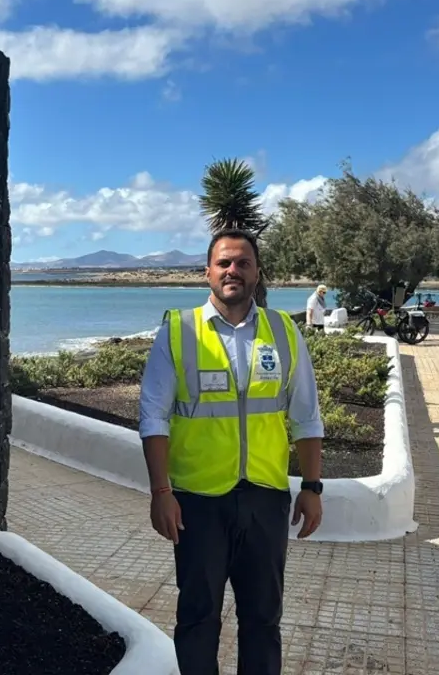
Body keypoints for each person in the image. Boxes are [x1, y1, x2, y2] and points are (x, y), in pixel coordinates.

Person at [137, 228, 324, 675]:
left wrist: (313, 486)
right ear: (208, 273)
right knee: (198, 616)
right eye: (224, 263)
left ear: (257, 273)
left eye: (242, 262)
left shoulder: (284, 332)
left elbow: (306, 415)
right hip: (197, 503)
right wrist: (161, 491)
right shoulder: (178, 332)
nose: (233, 271)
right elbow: (153, 417)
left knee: (263, 619)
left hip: (265, 499)